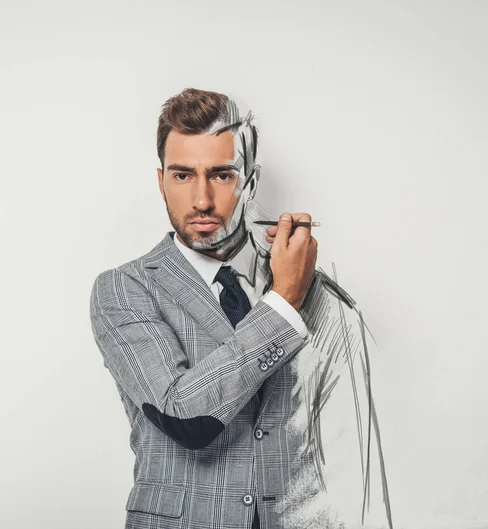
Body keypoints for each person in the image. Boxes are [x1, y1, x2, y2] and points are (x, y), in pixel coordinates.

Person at [90, 88, 391, 529]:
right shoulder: (125, 289)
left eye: (222, 175)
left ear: (250, 180)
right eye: (181, 176)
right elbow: (185, 415)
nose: (201, 200)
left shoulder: (326, 300)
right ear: (160, 182)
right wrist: (284, 300)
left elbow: (357, 466)